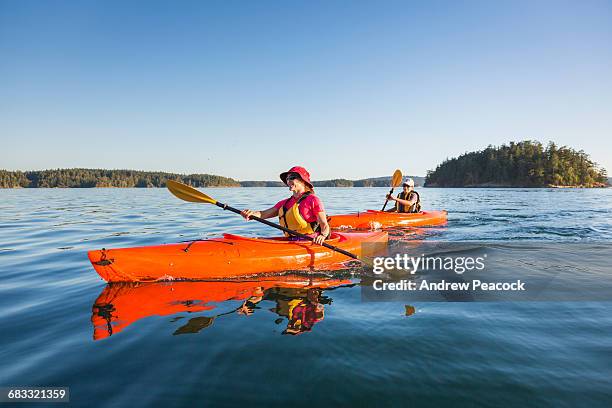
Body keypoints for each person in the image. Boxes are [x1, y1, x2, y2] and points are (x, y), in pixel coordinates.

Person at [240, 166, 331, 245]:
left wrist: (322, 236)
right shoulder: (284, 203)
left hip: (310, 242)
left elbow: (324, 225)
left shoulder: (313, 200)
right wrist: (251, 214)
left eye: (292, 177)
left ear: (303, 181)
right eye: (287, 179)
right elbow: (263, 214)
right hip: (291, 241)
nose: (288, 181)